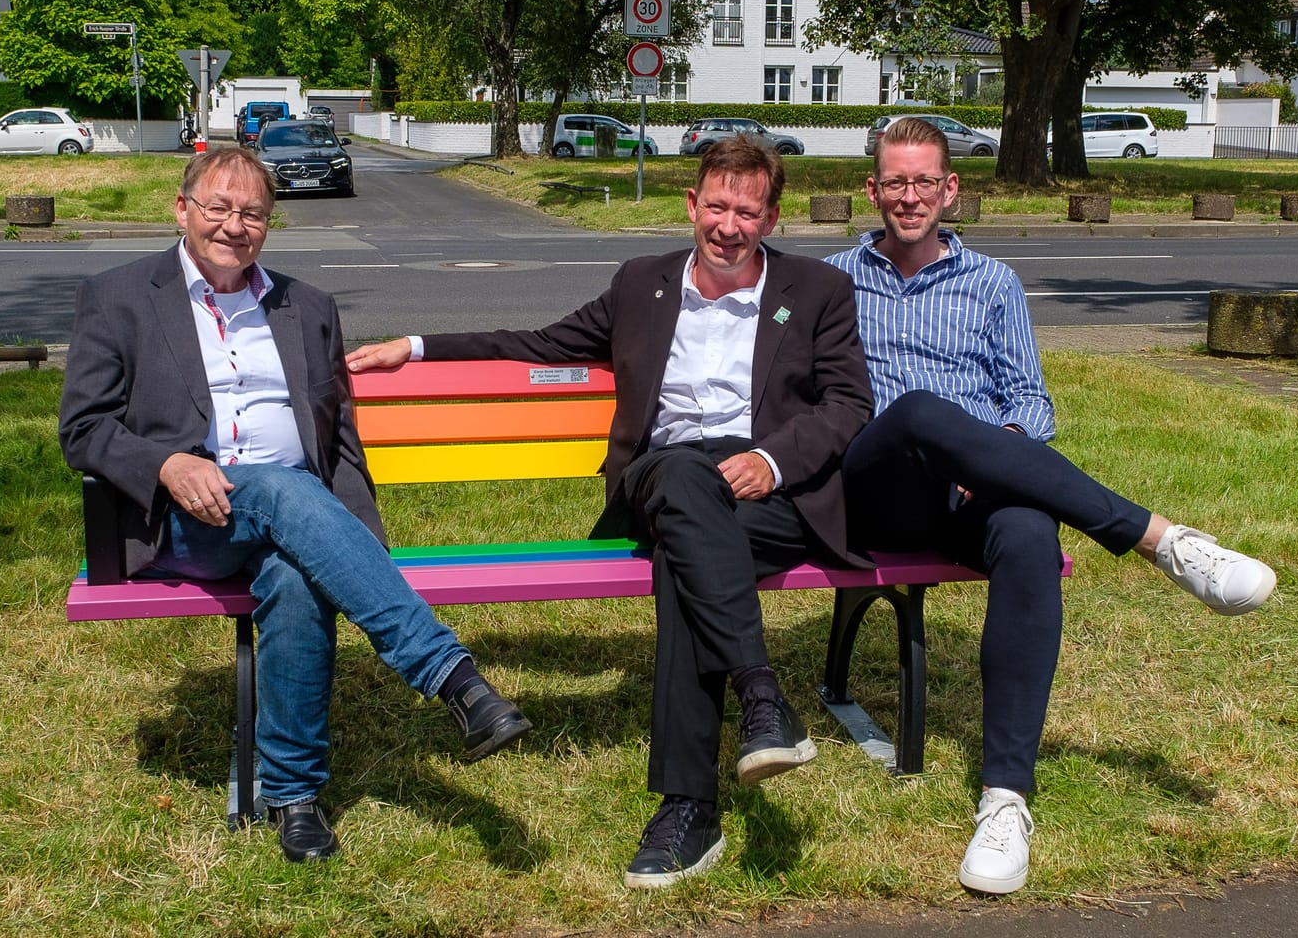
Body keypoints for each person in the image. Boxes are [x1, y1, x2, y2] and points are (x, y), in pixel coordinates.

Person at [347, 136, 874, 889]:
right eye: (717, 206)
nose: (730, 225)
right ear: (691, 204)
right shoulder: (643, 282)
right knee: (687, 485)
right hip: (663, 478)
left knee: (688, 562)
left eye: (748, 212)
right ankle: (759, 698)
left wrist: (771, 461)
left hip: (768, 493)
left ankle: (692, 805)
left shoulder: (817, 290)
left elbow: (850, 402)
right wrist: (419, 346)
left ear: (772, 217)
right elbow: (537, 342)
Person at [826, 115, 1277, 896]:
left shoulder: (993, 283)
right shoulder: (833, 280)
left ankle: (1005, 799)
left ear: (950, 189)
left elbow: (1031, 403)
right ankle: (1157, 539)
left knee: (1031, 532)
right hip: (875, 489)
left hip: (972, 493)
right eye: (894, 182)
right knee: (921, 412)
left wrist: (989, 450)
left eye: (924, 182)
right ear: (873, 190)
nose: (909, 197)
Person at [59, 147, 532, 864]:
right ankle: (454, 679)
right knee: (280, 487)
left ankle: (295, 799)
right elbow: (83, 430)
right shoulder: (118, 295)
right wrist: (165, 462)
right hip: (188, 521)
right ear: (181, 208)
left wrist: (357, 540)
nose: (233, 225)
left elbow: (338, 441)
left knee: (294, 571)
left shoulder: (305, 306)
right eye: (217, 207)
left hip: (292, 519)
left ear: (269, 225)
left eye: (251, 212)